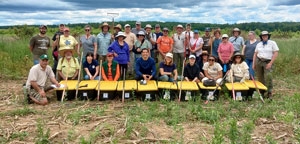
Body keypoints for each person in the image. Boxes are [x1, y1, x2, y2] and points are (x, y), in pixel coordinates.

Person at [253, 31, 279, 99]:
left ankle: (269, 92)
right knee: (260, 77)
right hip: (259, 61)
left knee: (268, 76)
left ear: (268, 36)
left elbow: (276, 53)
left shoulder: (272, 43)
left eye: (266, 35)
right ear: (261, 37)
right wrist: (254, 64)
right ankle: (262, 91)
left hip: (268, 61)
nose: (264, 37)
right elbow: (255, 54)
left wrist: (270, 63)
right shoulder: (259, 44)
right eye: (263, 36)